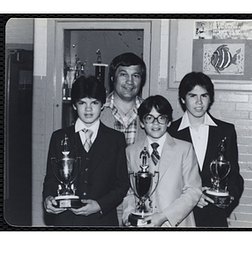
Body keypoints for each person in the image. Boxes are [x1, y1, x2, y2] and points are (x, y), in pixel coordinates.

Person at [43, 76, 129, 226]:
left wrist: (100, 205)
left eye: (94, 103)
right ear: (74, 105)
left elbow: (122, 184)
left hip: (103, 221)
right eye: (82, 102)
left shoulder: (116, 139)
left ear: (103, 105)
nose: (88, 109)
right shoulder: (59, 137)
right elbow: (51, 178)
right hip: (66, 220)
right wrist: (48, 199)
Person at [168, 72, 244, 227]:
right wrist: (192, 198)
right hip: (181, 217)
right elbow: (167, 179)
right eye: (192, 96)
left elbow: (234, 176)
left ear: (210, 99)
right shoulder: (171, 132)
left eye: (204, 96)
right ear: (183, 99)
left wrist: (227, 199)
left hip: (214, 216)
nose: (199, 102)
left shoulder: (226, 131)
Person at [123, 95, 202, 227]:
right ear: (142, 123)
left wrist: (163, 217)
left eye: (161, 118)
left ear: (169, 122)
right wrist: (128, 216)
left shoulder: (184, 149)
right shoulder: (131, 152)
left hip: (175, 224)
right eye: (149, 118)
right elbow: (130, 192)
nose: (155, 123)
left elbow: (193, 191)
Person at [100, 52, 147, 146]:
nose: (130, 81)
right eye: (123, 75)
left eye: (135, 76)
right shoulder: (98, 110)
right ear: (113, 78)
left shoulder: (150, 111)